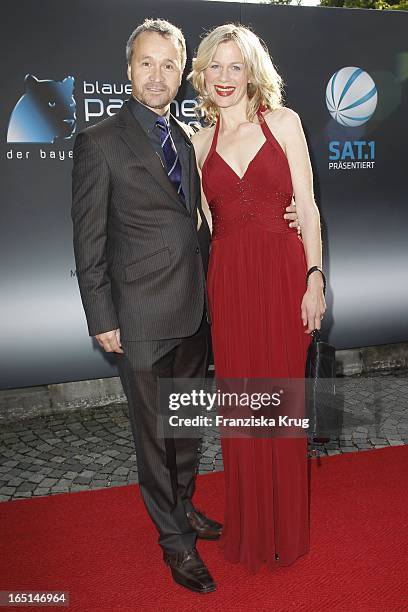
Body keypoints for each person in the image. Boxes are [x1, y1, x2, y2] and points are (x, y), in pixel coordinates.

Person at [71, 18, 300, 593]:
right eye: (147, 63)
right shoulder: (99, 142)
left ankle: (188, 507)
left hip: (195, 313)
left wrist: (286, 219)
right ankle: (175, 543)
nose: (158, 75)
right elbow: (89, 240)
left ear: (181, 75)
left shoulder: (185, 139)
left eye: (170, 65)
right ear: (129, 70)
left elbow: (204, 221)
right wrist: (102, 317)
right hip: (140, 318)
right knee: (153, 436)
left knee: (186, 428)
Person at [189, 24, 326, 574]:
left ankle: (286, 531)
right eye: (214, 67)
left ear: (252, 71)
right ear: (202, 74)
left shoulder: (285, 123)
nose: (225, 78)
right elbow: (195, 226)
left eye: (235, 66)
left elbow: (309, 207)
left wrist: (315, 276)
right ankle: (249, 530)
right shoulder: (198, 144)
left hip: (285, 273)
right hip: (230, 282)